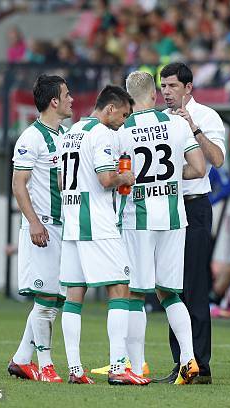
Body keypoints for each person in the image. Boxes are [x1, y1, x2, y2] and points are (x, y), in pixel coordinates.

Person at [115, 71, 206, 384]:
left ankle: (138, 367)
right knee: (169, 292)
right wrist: (170, 179)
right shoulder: (178, 123)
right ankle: (189, 359)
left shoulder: (122, 129)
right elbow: (199, 168)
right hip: (173, 216)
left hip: (138, 218)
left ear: (129, 98)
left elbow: (118, 177)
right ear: (153, 94)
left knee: (135, 293)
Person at [58, 85, 146, 386]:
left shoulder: (71, 132)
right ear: (109, 109)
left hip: (71, 223)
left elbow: (60, 181)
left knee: (73, 295)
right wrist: (126, 177)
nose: (123, 121)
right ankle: (119, 367)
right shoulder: (103, 134)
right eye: (122, 115)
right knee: (120, 288)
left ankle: (75, 369)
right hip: (97, 223)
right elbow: (106, 178)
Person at [157, 62, 226, 384]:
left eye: (172, 86)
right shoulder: (158, 121)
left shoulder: (208, 116)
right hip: (166, 207)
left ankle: (202, 365)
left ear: (188, 88)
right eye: (163, 86)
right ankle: (182, 361)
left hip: (195, 207)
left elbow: (217, 160)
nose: (166, 92)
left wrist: (193, 127)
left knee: (195, 288)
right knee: (172, 288)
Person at [8, 74, 72, 383]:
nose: (72, 99)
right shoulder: (31, 138)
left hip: (64, 227)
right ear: (54, 102)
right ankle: (46, 366)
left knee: (55, 298)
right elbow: (18, 185)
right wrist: (33, 222)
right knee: (46, 299)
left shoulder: (66, 134)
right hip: (42, 227)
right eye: (67, 94)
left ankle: (22, 359)